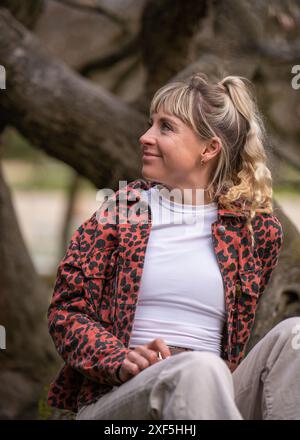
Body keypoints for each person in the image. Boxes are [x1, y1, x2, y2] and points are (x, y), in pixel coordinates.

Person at [47, 73, 300, 420]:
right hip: (119, 397)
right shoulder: (122, 212)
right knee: (197, 368)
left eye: (165, 127)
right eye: (151, 124)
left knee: (294, 337)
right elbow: (66, 312)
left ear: (209, 149)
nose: (145, 137)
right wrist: (117, 358)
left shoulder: (255, 233)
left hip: (215, 393)